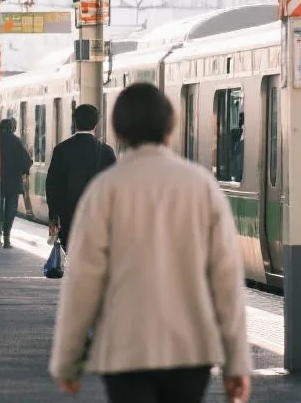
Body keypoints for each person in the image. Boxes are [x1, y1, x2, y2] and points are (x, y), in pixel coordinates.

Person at [49, 83, 251, 403]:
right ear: (170, 127)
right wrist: (236, 361)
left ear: (119, 130)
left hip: (125, 346)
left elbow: (83, 281)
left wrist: (66, 359)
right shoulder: (201, 187)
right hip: (191, 349)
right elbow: (226, 279)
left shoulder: (104, 190)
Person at [45, 103, 116, 251]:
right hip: (98, 216)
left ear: (74, 122)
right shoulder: (106, 152)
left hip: (68, 217)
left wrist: (54, 215)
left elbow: (52, 185)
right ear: (96, 124)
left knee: (71, 254)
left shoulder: (61, 150)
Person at [0, 118, 32, 249]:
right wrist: (24, 171)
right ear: (12, 128)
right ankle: (7, 237)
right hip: (13, 180)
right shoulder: (16, 141)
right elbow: (26, 161)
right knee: (11, 208)